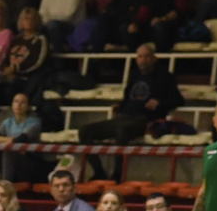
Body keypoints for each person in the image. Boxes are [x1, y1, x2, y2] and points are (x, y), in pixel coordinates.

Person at [78, 44, 184, 179]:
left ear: (154, 58)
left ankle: (118, 175)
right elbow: (127, 97)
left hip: (144, 120)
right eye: (140, 57)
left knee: (122, 130)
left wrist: (160, 103)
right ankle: (99, 172)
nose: (143, 60)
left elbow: (178, 100)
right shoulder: (134, 75)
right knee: (85, 131)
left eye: (146, 56)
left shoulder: (165, 76)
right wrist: (120, 107)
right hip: (123, 117)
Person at [0, 93, 42, 185]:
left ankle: (6, 184)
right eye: (16, 101)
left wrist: (5, 140)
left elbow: (20, 139)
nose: (18, 105)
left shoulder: (35, 122)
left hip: (27, 162)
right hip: (8, 161)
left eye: (23, 102)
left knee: (9, 149)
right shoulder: (8, 122)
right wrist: (10, 139)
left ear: (28, 106)